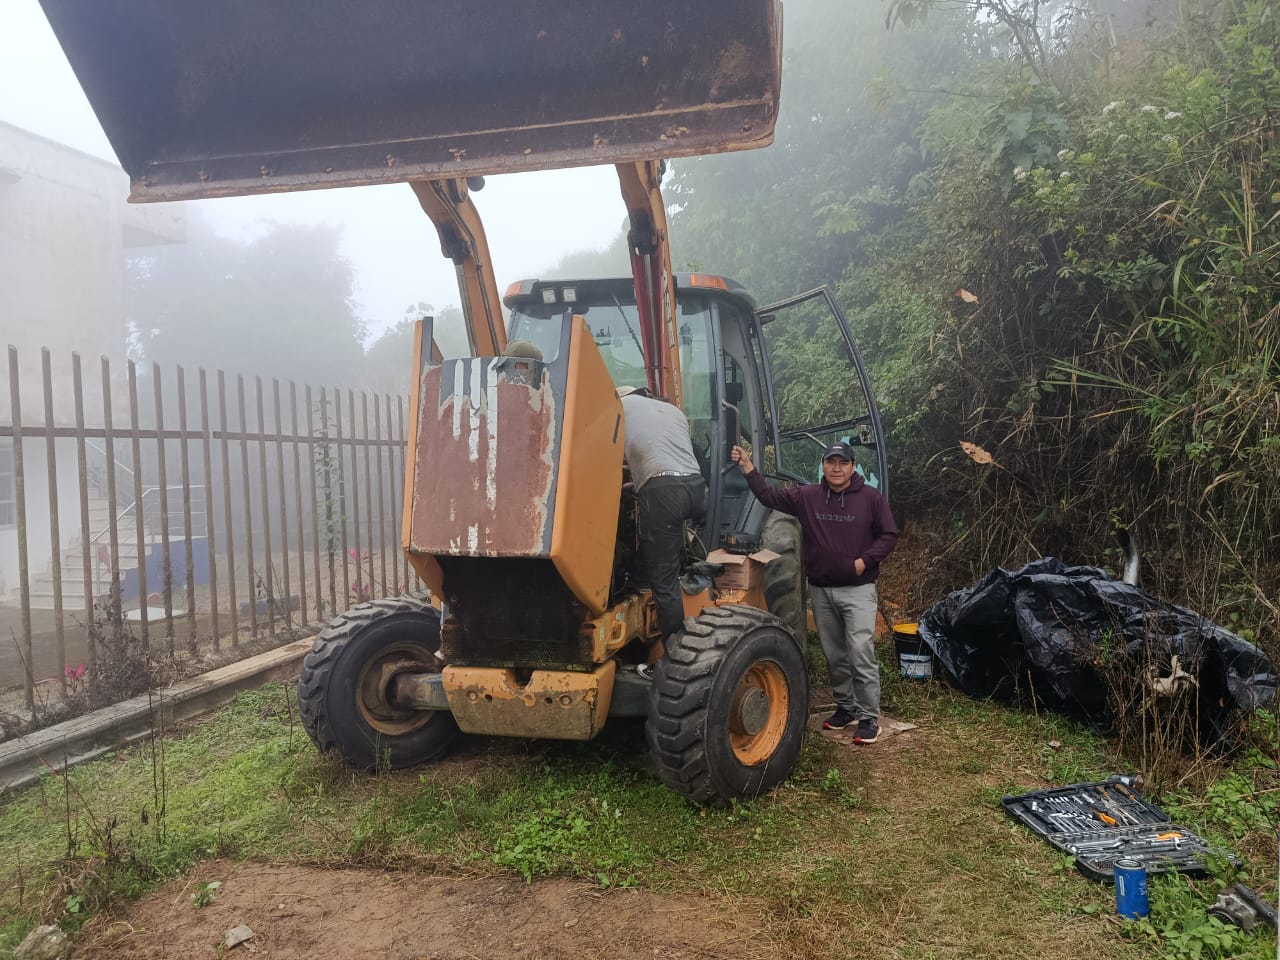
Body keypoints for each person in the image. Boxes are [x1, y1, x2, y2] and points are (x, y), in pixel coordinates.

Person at [731, 441, 898, 745]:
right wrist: (748, 468)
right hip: (821, 590)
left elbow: (889, 535)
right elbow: (768, 496)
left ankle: (869, 717)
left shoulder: (870, 498)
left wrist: (864, 562)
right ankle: (846, 707)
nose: (837, 468)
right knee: (834, 654)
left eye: (843, 463)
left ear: (852, 467)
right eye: (831, 462)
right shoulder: (807, 496)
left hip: (858, 591)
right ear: (823, 466)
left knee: (859, 651)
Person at [618, 385, 707, 638]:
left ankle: (674, 648)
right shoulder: (671, 410)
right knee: (671, 543)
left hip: (664, 493)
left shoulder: (617, 409)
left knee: (663, 581)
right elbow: (667, 453)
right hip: (695, 487)